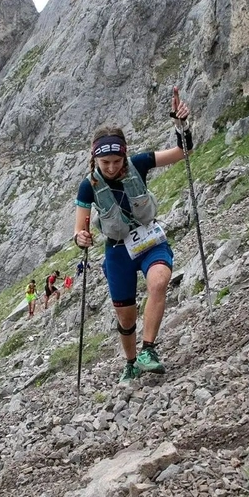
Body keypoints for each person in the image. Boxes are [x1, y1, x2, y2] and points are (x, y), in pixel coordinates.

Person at [73, 95, 192, 382]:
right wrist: (82, 238)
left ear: (124, 155)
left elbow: (182, 152)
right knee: (126, 318)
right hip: (117, 251)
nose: (112, 167)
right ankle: (130, 363)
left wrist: (182, 126)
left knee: (160, 281)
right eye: (105, 162)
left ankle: (148, 350)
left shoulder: (139, 163)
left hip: (150, 240)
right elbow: (78, 230)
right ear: (95, 159)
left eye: (116, 161)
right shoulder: (88, 186)